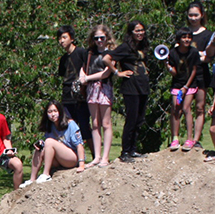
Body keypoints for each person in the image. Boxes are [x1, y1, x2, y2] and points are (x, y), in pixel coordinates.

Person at [112, 21, 151, 162]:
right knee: (131, 119)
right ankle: (125, 152)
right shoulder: (125, 47)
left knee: (139, 120)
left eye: (142, 30)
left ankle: (133, 149)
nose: (140, 33)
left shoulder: (142, 46)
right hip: (131, 88)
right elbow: (107, 58)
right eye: (137, 31)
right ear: (131, 32)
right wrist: (117, 72)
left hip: (143, 87)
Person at [80, 25, 116, 167]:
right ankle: (97, 156)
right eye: (97, 38)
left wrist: (87, 78)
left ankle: (105, 157)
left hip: (104, 87)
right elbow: (83, 68)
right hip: (91, 89)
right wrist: (82, 77)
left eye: (102, 38)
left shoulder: (111, 53)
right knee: (95, 123)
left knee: (106, 123)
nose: (100, 40)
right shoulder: (90, 53)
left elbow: (106, 73)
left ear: (107, 38)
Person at [24, 102, 85, 185]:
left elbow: (79, 145)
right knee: (39, 149)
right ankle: (32, 179)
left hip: (72, 159)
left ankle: (46, 174)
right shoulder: (50, 126)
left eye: (55, 111)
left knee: (49, 142)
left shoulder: (70, 124)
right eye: (49, 112)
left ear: (60, 111)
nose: (53, 114)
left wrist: (81, 165)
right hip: (59, 159)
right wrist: (41, 144)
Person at [57, 25, 93, 156]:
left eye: (64, 37)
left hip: (80, 95)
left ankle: (95, 155)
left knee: (84, 126)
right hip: (67, 95)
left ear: (71, 38)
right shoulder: (63, 59)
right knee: (69, 128)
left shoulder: (81, 53)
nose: (62, 41)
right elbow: (63, 76)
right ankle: (72, 157)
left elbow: (89, 69)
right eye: (60, 38)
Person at [167, 27, 201, 151]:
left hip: (189, 84)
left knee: (186, 108)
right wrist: (168, 67)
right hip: (177, 84)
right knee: (176, 108)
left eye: (188, 37)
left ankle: (189, 138)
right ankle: (175, 138)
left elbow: (194, 70)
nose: (186, 40)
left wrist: (186, 86)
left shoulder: (193, 52)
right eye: (184, 37)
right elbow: (175, 72)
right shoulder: (172, 53)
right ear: (179, 39)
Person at [187, 2, 212, 149]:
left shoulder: (208, 34)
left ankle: (196, 139)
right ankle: (187, 138)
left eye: (196, 15)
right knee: (185, 107)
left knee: (200, 107)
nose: (193, 18)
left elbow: (209, 57)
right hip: (185, 75)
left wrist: (199, 57)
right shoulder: (184, 33)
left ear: (202, 15)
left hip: (202, 74)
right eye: (190, 15)